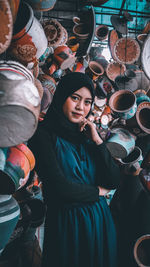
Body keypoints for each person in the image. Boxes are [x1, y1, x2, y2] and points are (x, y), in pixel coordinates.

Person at [28, 72, 121, 267]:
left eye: (87, 102)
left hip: (100, 224)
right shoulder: (43, 135)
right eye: (75, 98)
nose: (81, 107)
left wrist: (97, 141)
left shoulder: (86, 135)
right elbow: (59, 188)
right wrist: (98, 192)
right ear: (62, 96)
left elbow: (114, 181)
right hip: (68, 226)